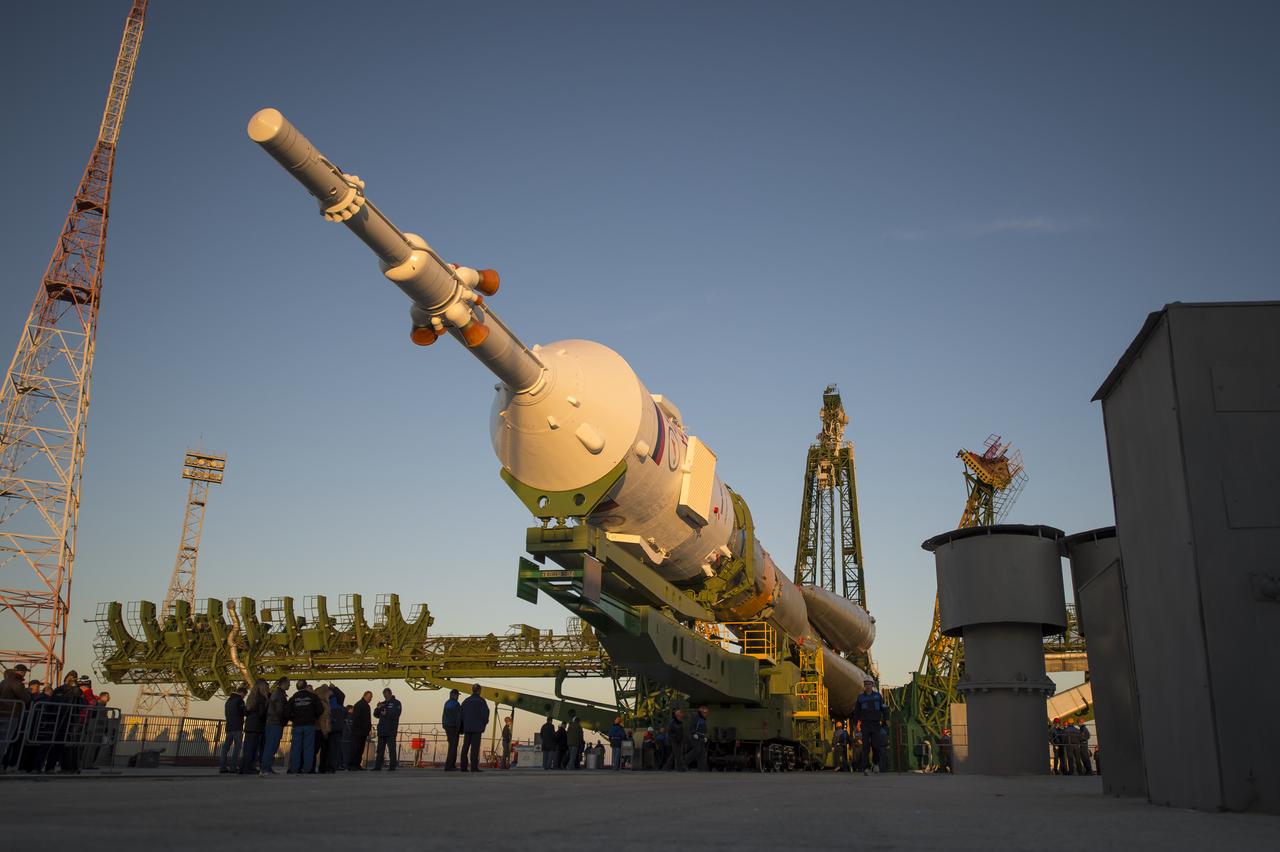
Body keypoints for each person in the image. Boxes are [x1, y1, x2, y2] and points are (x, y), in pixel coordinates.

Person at [285, 680, 323, 774]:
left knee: (296, 748)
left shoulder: (293, 698)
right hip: (309, 725)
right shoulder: (313, 697)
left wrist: (293, 718)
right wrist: (313, 717)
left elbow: (286, 712)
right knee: (308, 748)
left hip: (297, 725)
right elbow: (320, 710)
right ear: (306, 686)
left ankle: (294, 768)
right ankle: (307, 769)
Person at [853, 677, 887, 774]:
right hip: (865, 724)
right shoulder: (860, 698)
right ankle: (866, 768)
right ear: (864, 685)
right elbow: (856, 712)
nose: (867, 686)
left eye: (869, 684)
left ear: (872, 685)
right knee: (865, 747)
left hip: (876, 724)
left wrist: (886, 719)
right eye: (866, 684)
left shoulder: (878, 696)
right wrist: (855, 724)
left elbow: (884, 708)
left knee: (876, 746)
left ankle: (875, 763)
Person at [1, 665, 31, 772]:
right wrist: (28, 693)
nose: (25, 674)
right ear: (21, 672)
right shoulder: (17, 683)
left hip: (2, 712)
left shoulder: (4, 681)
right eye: (24, 672)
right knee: (5, 741)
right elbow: (25, 698)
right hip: (11, 714)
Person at [239, 679, 269, 775]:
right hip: (257, 726)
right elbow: (262, 713)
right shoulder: (262, 698)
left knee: (247, 747)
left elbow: (246, 712)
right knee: (253, 748)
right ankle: (249, 767)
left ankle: (243, 767)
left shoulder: (251, 697)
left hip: (249, 725)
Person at [262, 676, 290, 775]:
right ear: (284, 683)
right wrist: (285, 718)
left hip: (272, 722)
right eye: (288, 683)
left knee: (270, 745)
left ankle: (266, 767)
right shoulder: (279, 694)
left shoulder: (276, 693)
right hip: (276, 723)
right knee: (271, 746)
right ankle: (266, 767)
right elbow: (279, 710)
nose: (289, 685)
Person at [460, 683, 490, 772]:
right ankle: (474, 767)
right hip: (477, 728)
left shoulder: (466, 701)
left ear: (472, 690)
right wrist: (484, 723)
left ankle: (463, 767)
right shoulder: (481, 701)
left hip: (467, 728)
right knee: (475, 748)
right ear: (479, 691)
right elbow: (485, 714)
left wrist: (463, 726)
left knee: (465, 747)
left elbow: (461, 714)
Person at [219, 684, 247, 774]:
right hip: (237, 727)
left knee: (225, 748)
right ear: (242, 693)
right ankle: (233, 767)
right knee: (237, 748)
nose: (244, 696)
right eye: (245, 695)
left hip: (229, 727)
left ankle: (222, 767)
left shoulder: (228, 701)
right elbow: (243, 712)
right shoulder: (240, 701)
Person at [373, 687, 401, 771]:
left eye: (387, 695)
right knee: (380, 750)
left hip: (391, 730)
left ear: (390, 693)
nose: (386, 696)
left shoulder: (397, 703)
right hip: (382, 730)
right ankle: (377, 766)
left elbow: (396, 714)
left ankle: (392, 766)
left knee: (392, 749)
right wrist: (378, 708)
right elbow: (376, 714)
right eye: (384, 695)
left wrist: (387, 713)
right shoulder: (383, 703)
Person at [348, 691, 372, 770]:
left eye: (371, 697)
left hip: (363, 731)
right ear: (365, 696)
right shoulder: (359, 705)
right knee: (356, 748)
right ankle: (352, 765)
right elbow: (357, 719)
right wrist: (365, 727)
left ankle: (357, 764)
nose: (370, 699)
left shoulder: (365, 706)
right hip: (358, 731)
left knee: (360, 749)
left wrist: (368, 728)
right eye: (369, 697)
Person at [441, 688, 462, 771]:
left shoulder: (447, 703)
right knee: (453, 746)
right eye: (457, 695)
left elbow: (443, 715)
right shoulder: (456, 704)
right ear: (454, 695)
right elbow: (458, 717)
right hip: (453, 727)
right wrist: (459, 728)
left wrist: (444, 724)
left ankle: (450, 765)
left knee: (451, 745)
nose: (458, 697)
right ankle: (450, 766)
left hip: (447, 726)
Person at [688, 706, 710, 771]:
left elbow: (704, 729)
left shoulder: (703, 720)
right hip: (695, 737)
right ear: (700, 713)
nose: (705, 714)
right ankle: (684, 762)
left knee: (702, 753)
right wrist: (693, 733)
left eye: (706, 713)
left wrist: (705, 737)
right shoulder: (696, 718)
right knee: (697, 750)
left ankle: (701, 767)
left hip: (701, 737)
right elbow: (692, 726)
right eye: (704, 713)